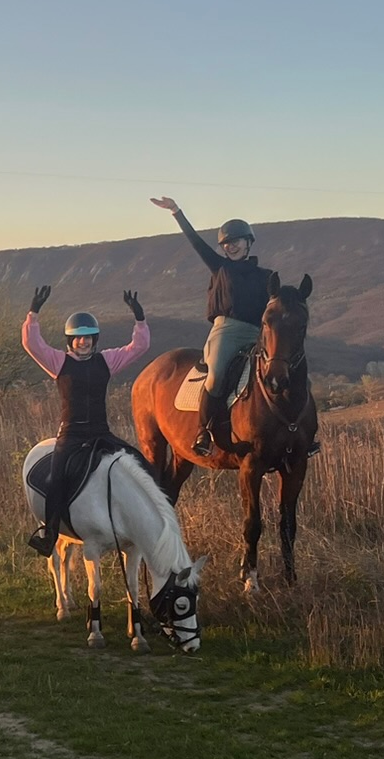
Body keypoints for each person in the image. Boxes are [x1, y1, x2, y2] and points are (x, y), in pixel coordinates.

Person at [21, 286, 151, 556]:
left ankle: (153, 523)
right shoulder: (59, 362)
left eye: (88, 337)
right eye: (78, 338)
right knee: (57, 479)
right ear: (70, 341)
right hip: (71, 434)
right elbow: (33, 345)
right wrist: (33, 312)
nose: (83, 342)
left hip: (101, 433)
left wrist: (139, 318)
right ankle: (49, 534)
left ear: (95, 339)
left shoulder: (107, 361)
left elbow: (139, 347)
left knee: (141, 462)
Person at [149, 198, 271, 456]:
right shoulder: (221, 268)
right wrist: (176, 212)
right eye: (226, 243)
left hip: (258, 333)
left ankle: (301, 433)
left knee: (286, 369)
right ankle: (204, 431)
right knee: (215, 376)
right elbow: (196, 242)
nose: (231, 246)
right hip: (227, 331)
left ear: (248, 242)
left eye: (236, 241)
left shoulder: (267, 276)